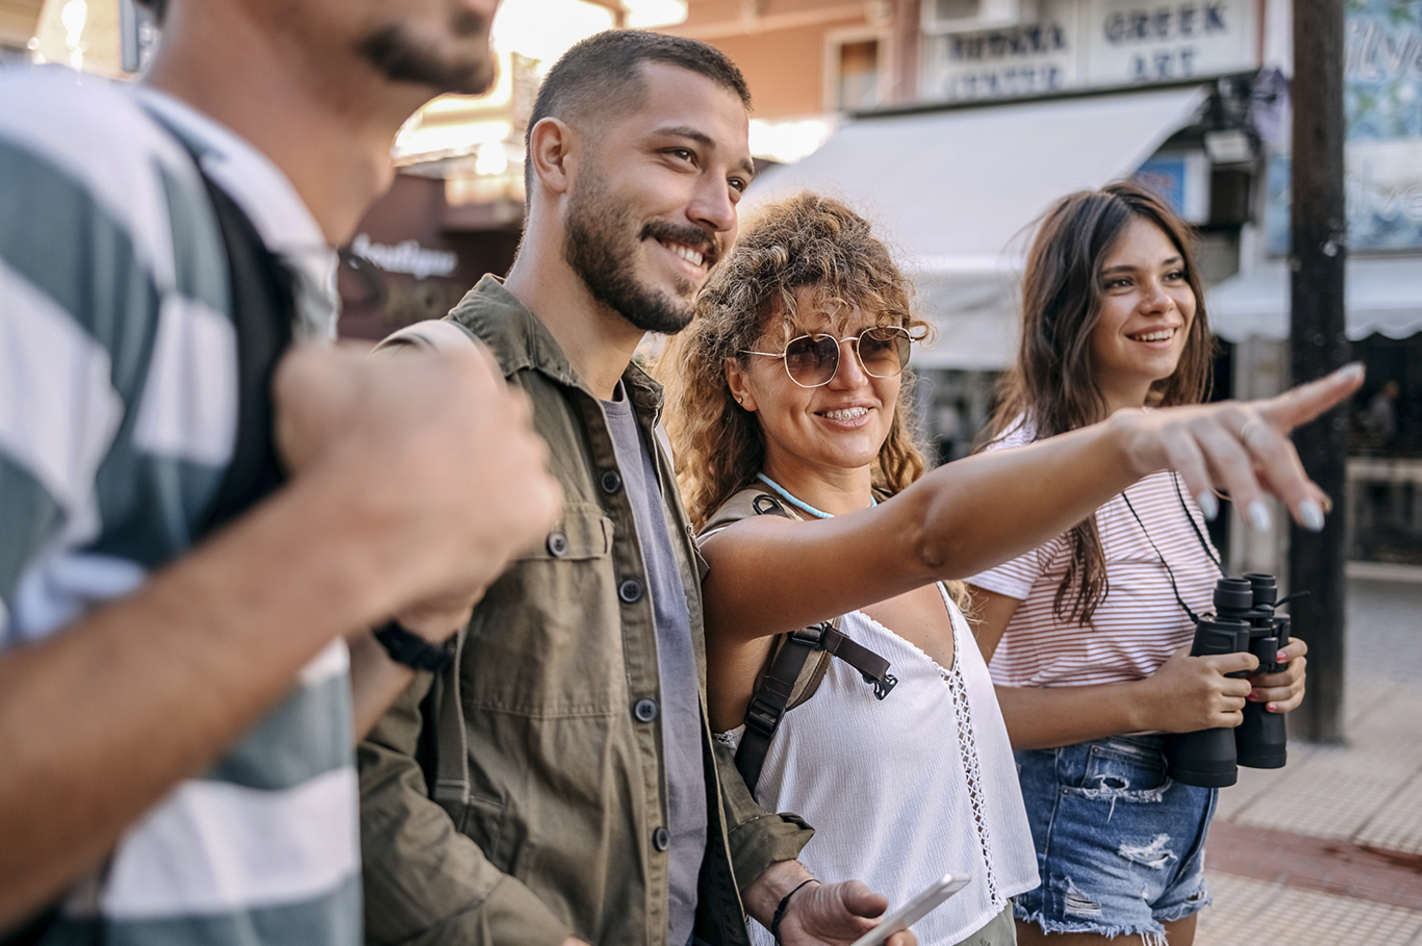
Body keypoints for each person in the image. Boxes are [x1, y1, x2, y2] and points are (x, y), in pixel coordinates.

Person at [656, 190, 1358, 946]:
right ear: (738, 380)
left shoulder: (895, 509)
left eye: (878, 344)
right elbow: (926, 536)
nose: (852, 378)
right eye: (809, 352)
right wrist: (1136, 439)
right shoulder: (740, 556)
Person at [0, 0, 562, 942]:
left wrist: (409, 619)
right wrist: (357, 531)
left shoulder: (253, 259)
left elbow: (205, 784)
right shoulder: (65, 166)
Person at [356, 31, 912, 946]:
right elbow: (349, 771)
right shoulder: (436, 393)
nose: (716, 210)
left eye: (735, 179)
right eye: (680, 156)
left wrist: (779, 890)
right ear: (555, 156)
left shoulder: (636, 426)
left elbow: (665, 738)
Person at [964, 183, 1320, 946]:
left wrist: (1262, 673)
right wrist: (1146, 705)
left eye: (1174, 275)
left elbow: (1162, 651)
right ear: (1066, 311)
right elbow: (952, 707)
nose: (1162, 302)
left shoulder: (1170, 458)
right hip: (1074, 823)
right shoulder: (1026, 470)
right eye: (1121, 282)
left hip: (1180, 816)